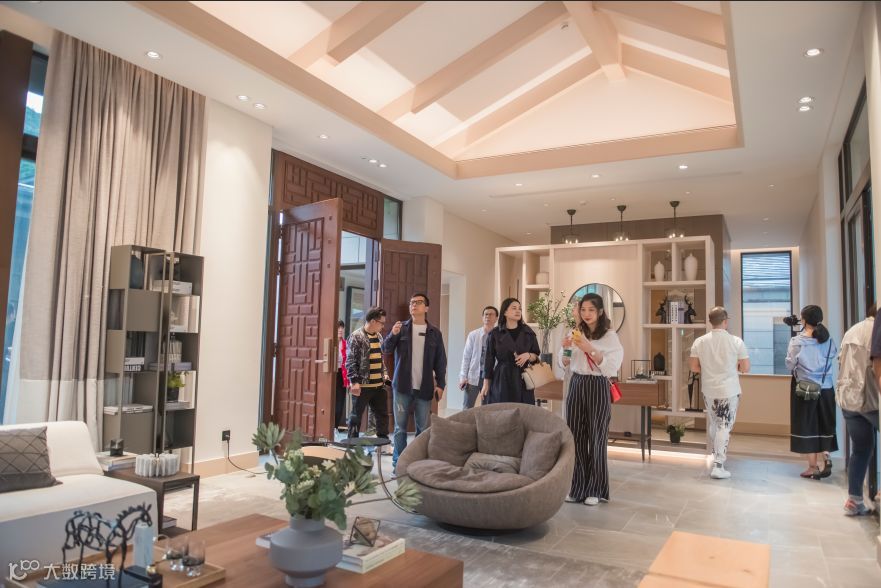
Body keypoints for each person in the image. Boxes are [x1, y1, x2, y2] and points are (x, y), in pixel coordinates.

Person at [559, 293, 623, 506]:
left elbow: (612, 367)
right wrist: (565, 350)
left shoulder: (610, 337)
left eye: (591, 310)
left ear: (600, 312)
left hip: (598, 385)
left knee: (597, 437)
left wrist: (591, 349)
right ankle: (577, 488)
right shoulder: (574, 333)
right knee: (575, 437)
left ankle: (595, 489)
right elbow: (564, 363)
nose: (586, 314)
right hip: (576, 383)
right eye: (583, 310)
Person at [382, 293, 447, 471]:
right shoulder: (401, 328)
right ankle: (399, 464)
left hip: (424, 388)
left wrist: (441, 384)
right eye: (412, 302)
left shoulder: (435, 333)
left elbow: (441, 361)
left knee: (423, 429)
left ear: (426, 308)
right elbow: (386, 349)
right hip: (402, 387)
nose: (414, 305)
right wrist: (392, 334)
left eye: (418, 302)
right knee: (399, 429)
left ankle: (419, 465)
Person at [688, 307, 750, 480]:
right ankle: (718, 465)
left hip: (709, 389)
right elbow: (745, 368)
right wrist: (734, 367)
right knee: (724, 425)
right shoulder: (736, 341)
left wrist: (709, 369)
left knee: (715, 423)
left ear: (710, 322)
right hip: (729, 390)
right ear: (725, 321)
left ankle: (716, 455)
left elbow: (693, 367)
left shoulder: (700, 341)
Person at [785, 305, 838, 479]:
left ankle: (813, 467)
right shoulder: (828, 340)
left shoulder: (797, 341)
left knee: (807, 425)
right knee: (825, 423)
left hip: (805, 389)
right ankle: (826, 455)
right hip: (826, 388)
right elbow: (833, 356)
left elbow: (789, 364)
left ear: (804, 320)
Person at [836, 305, 879, 515]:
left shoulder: (851, 331)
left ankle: (854, 500)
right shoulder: (876, 330)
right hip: (871, 399)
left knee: (861, 449)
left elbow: (841, 361)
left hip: (848, 399)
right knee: (863, 448)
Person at [479, 298, 541, 405]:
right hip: (502, 377)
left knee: (523, 411)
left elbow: (536, 355)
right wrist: (486, 383)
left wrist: (528, 355)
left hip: (523, 378)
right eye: (514, 308)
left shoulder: (528, 332)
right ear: (505, 312)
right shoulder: (495, 333)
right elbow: (489, 360)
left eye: (519, 309)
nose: (518, 311)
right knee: (502, 410)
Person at [345, 307, 390, 441]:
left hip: (379, 385)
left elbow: (381, 359)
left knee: (382, 416)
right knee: (356, 417)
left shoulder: (379, 336)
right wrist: (354, 382)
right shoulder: (356, 336)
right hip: (362, 386)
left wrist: (385, 373)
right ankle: (352, 445)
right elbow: (350, 361)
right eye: (381, 323)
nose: (383, 326)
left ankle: (382, 444)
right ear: (373, 321)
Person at [458, 306, 498, 409]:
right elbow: (466, 357)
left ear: (496, 318)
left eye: (491, 314)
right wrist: (463, 376)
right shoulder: (473, 335)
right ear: (482, 317)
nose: (488, 316)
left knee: (487, 408)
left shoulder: (499, 336)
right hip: (473, 376)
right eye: (486, 314)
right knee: (467, 407)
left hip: (490, 377)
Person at [334, 320, 350, 430]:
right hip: (331, 373)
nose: (340, 330)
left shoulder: (346, 343)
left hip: (341, 374)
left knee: (340, 402)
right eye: (338, 327)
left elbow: (349, 362)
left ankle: (334, 427)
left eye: (342, 328)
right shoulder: (330, 343)